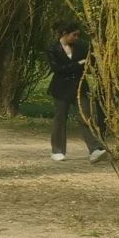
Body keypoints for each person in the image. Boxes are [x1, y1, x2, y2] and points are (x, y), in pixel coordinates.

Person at [46, 23, 105, 163]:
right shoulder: (53, 49)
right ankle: (57, 150)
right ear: (65, 33)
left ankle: (94, 148)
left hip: (79, 88)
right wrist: (77, 64)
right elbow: (57, 68)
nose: (76, 38)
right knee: (60, 119)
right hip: (61, 88)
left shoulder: (82, 47)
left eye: (78, 35)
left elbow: (89, 65)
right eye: (74, 35)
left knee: (85, 117)